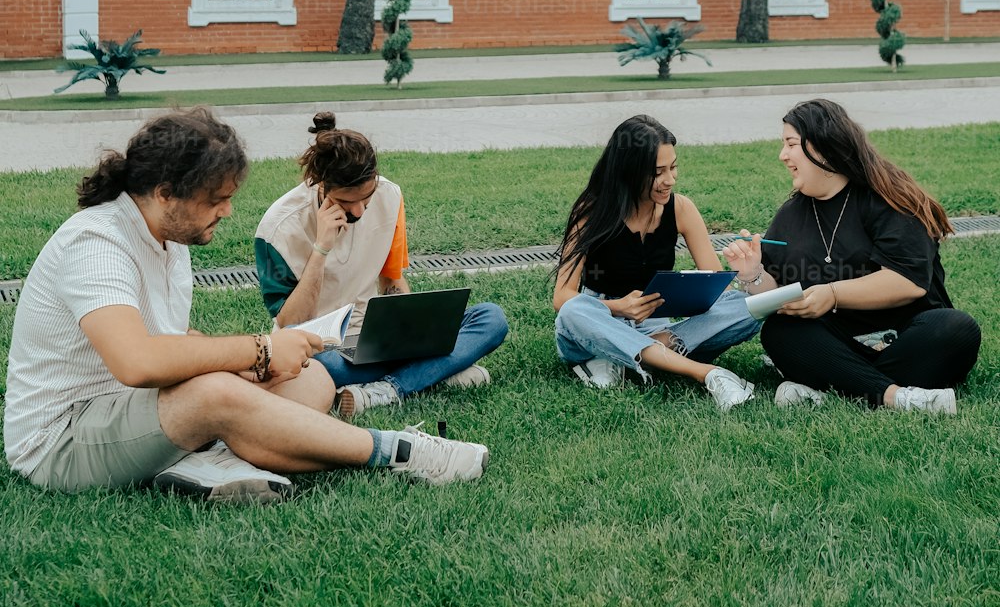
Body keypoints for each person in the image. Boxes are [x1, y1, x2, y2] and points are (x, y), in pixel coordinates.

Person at [3, 109, 489, 500]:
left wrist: (255, 368)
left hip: (130, 412)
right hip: (63, 439)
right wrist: (257, 350)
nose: (228, 210)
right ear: (165, 193)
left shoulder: (168, 239)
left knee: (309, 377)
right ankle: (400, 451)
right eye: (217, 198)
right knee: (216, 394)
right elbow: (137, 361)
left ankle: (208, 459)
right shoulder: (97, 242)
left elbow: (172, 341)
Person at [722, 98, 981, 414]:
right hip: (838, 340)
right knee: (781, 331)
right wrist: (753, 274)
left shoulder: (889, 199)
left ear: (821, 147)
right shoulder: (791, 214)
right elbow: (779, 295)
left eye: (791, 144)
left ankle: (830, 386)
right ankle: (897, 397)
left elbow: (908, 282)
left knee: (956, 328)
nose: (783, 155)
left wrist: (832, 295)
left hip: (904, 335)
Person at [254, 113, 509, 420]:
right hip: (318, 348)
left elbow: (391, 281)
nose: (360, 210)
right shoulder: (277, 229)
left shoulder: (390, 196)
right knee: (316, 370)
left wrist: (410, 330)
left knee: (490, 318)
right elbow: (291, 321)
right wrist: (321, 249)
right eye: (348, 202)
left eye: (367, 197)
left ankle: (388, 388)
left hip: (373, 334)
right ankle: (432, 374)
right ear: (321, 185)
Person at [553, 114, 760, 410]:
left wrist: (742, 274)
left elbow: (714, 284)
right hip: (597, 320)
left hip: (657, 325)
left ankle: (627, 356)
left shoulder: (682, 208)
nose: (670, 180)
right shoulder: (591, 211)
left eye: (673, 167)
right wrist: (618, 307)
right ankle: (705, 373)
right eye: (658, 172)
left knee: (745, 305)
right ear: (629, 172)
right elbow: (562, 297)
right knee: (574, 310)